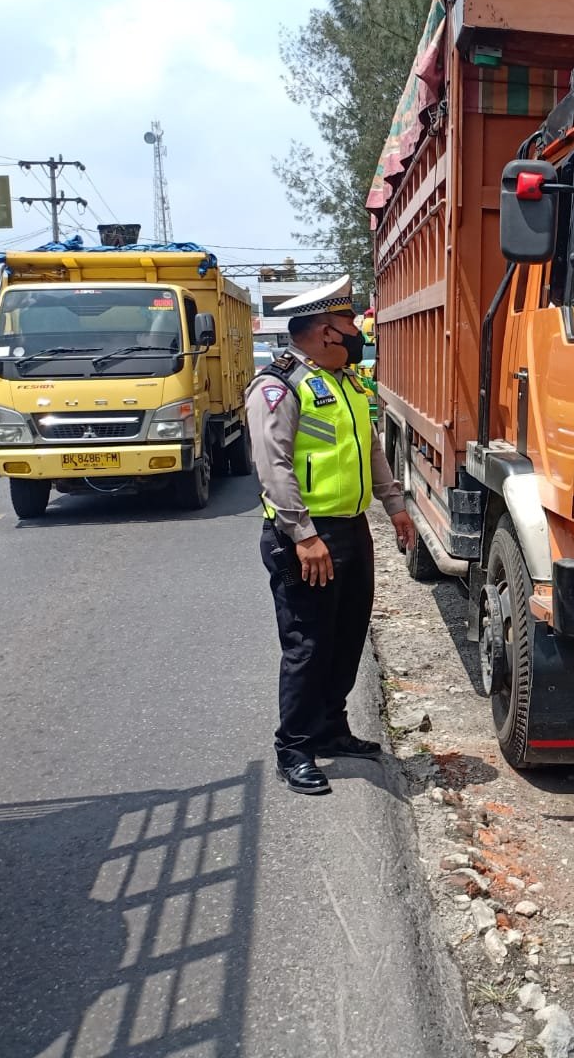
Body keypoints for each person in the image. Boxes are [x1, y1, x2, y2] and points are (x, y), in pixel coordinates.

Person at [246, 275, 416, 795]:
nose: (357, 335)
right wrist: (302, 535)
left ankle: (330, 729)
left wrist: (395, 506)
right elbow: (272, 466)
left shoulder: (348, 383)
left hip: (352, 530)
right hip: (305, 536)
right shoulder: (278, 386)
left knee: (347, 637)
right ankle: (294, 748)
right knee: (309, 644)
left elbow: (372, 449)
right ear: (324, 332)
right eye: (349, 327)